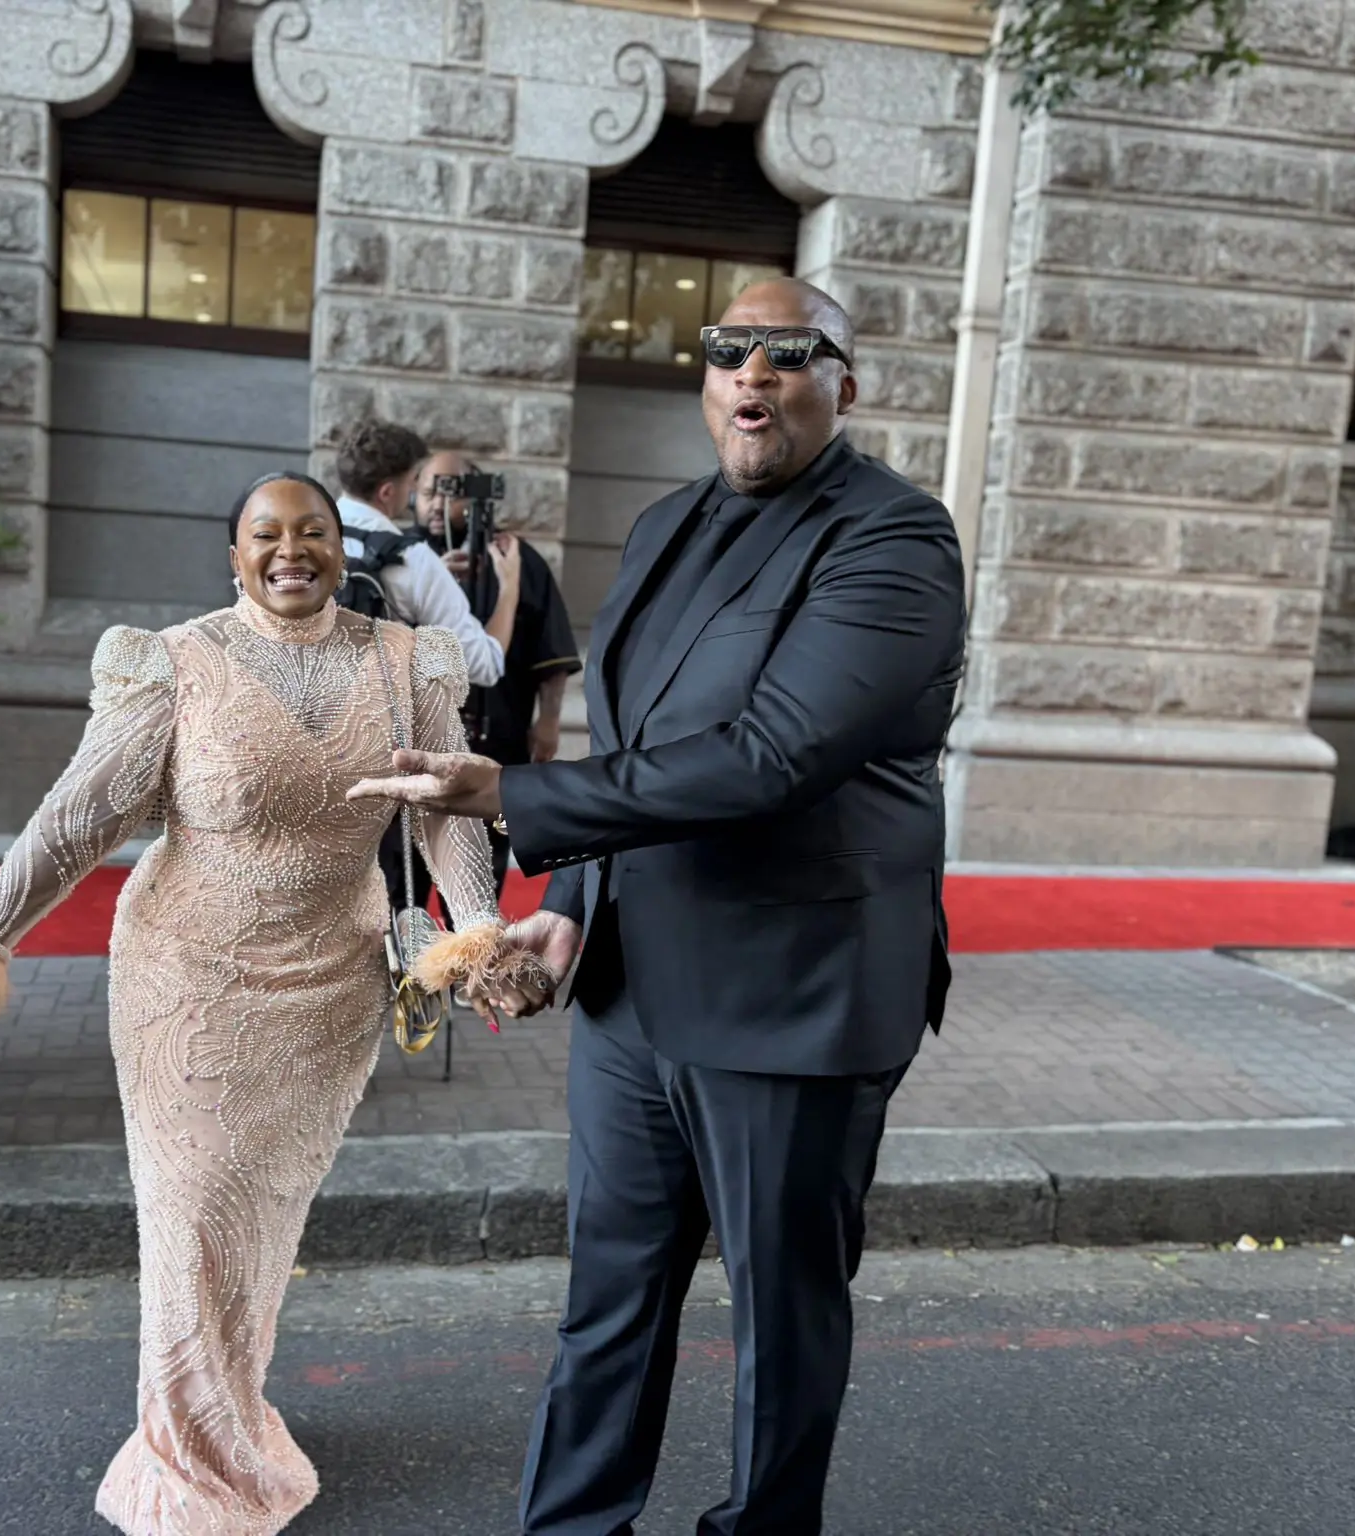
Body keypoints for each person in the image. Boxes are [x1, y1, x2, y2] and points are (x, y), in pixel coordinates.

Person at [349, 278, 967, 1534]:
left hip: (792, 1000)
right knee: (606, 1305)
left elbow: (768, 755)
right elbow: (632, 733)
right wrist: (570, 903)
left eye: (789, 354)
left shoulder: (895, 539)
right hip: (634, 997)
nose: (752, 374)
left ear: (844, 382)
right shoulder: (667, 523)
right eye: (728, 350)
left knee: (778, 1329)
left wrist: (511, 796)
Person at [0, 471, 546, 1535]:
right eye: (265, 535)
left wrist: (474, 931)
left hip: (328, 993)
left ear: (342, 548)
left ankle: (227, 1408)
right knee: (192, 1220)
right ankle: (190, 1458)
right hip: (185, 985)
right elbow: (77, 821)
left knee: (259, 1224)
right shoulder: (175, 664)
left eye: (312, 533)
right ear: (233, 554)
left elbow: (444, 816)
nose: (289, 551)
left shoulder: (404, 662)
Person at [331, 420, 520, 911]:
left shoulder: (302, 536)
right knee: (391, 904)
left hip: (304, 743)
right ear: (390, 490)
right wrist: (510, 584)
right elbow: (483, 664)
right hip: (385, 756)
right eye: (416, 484)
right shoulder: (411, 558)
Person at [416, 448, 581, 896]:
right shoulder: (405, 557)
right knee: (407, 879)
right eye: (427, 490)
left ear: (473, 498)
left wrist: (547, 722)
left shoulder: (513, 557)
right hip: (416, 740)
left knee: (480, 880)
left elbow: (551, 646)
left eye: (448, 491)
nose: (435, 503)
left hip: (499, 738)